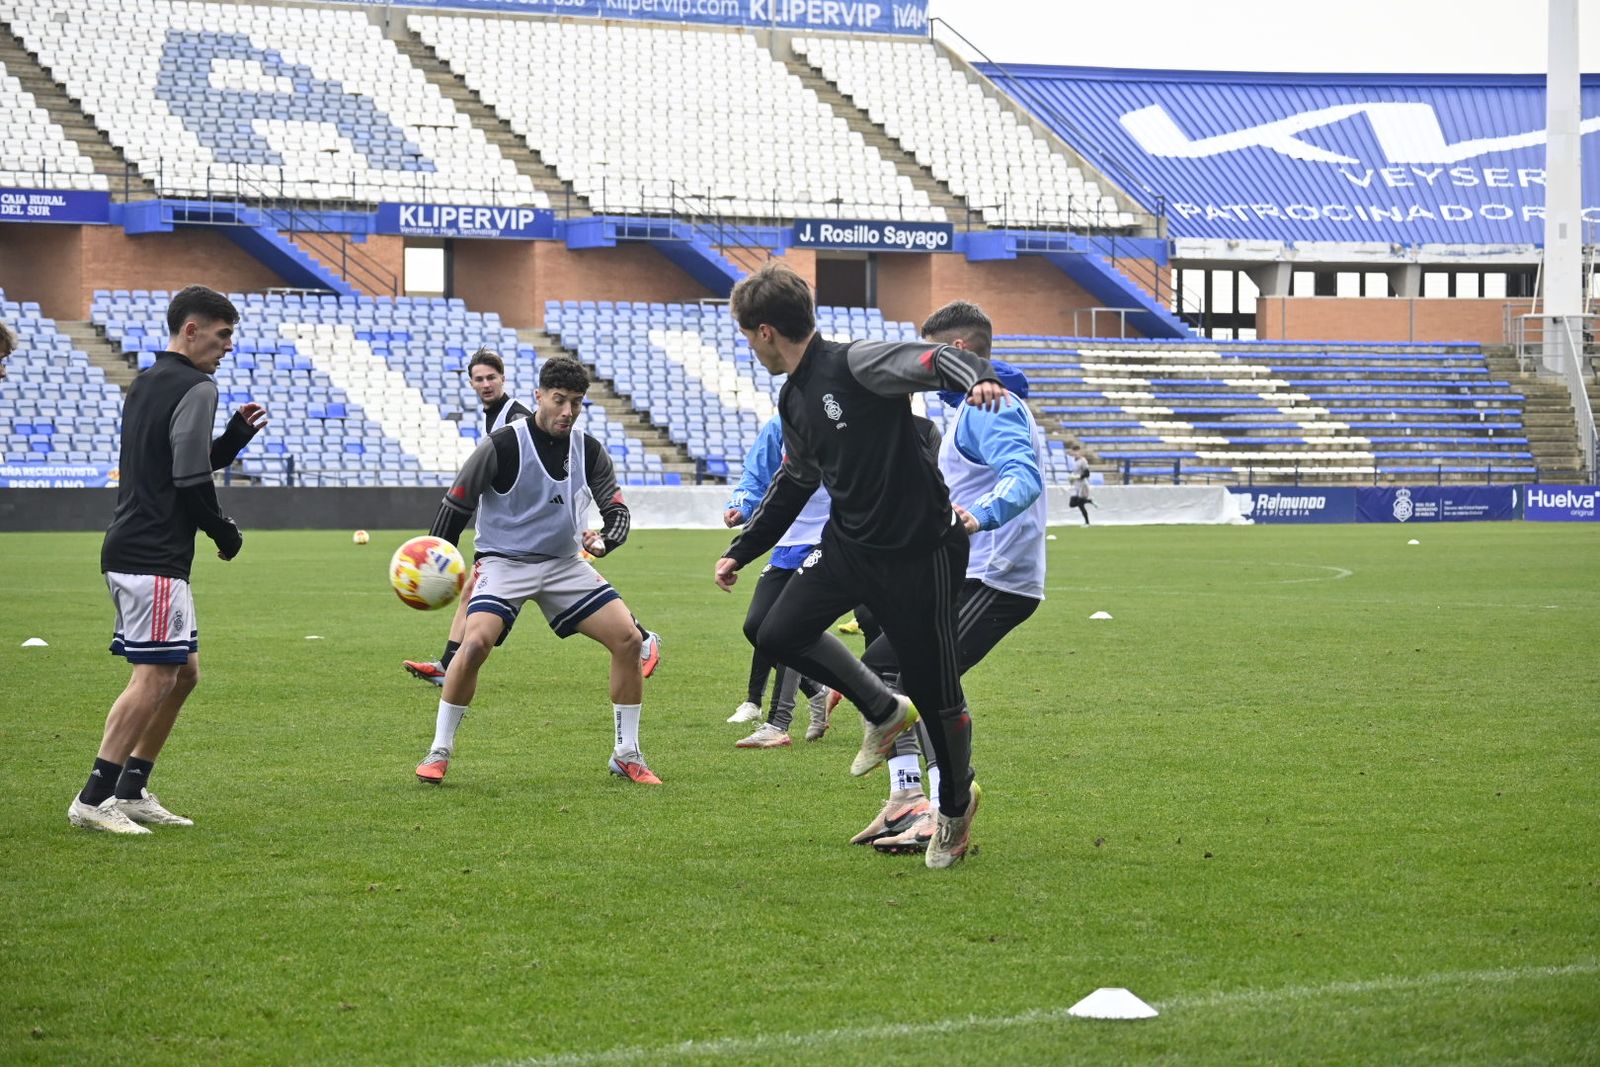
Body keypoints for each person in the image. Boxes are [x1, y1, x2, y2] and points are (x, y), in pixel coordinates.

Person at [713, 264, 1003, 869]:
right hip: (850, 546)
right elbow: (796, 482)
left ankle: (954, 805)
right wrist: (744, 550)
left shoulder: (857, 362)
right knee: (777, 630)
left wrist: (976, 376)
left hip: (923, 552)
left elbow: (931, 361)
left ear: (765, 331)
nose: (748, 347)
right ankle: (883, 709)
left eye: (746, 337)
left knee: (937, 688)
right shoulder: (792, 399)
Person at [850, 303, 1049, 854]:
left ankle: (946, 809)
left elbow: (1022, 477)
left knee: (920, 682)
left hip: (996, 579)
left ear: (956, 353)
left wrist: (976, 516)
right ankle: (909, 796)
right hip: (962, 573)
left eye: (932, 356)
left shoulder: (990, 407)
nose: (924, 368)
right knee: (882, 669)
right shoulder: (966, 408)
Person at [68, 285, 267, 834]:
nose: (228, 346)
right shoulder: (200, 385)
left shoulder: (148, 382)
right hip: (152, 553)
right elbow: (187, 478)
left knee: (182, 675)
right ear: (192, 330)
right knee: (156, 675)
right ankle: (93, 798)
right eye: (223, 334)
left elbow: (174, 461)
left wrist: (231, 440)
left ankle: (131, 789)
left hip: (134, 547)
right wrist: (224, 532)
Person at [414, 354, 660, 786]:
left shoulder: (589, 449)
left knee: (629, 639)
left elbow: (617, 510)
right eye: (560, 400)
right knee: (474, 646)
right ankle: (439, 750)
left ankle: (627, 753)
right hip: (503, 563)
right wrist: (436, 558)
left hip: (564, 565)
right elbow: (456, 505)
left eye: (577, 403)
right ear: (539, 396)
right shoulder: (502, 444)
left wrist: (604, 540)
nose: (568, 412)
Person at [722, 413, 835, 746]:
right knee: (756, 627)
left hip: (829, 537)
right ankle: (817, 690)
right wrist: (741, 506)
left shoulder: (843, 418)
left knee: (788, 627)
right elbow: (756, 475)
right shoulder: (780, 425)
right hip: (786, 537)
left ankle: (777, 724)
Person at [1069, 444, 1094, 525]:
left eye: (1077, 452)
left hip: (1083, 485)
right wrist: (1072, 478)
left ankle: (1087, 522)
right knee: (1072, 503)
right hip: (1077, 485)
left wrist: (1077, 477)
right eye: (1074, 452)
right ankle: (1088, 501)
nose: (1075, 454)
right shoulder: (1074, 461)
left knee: (1080, 504)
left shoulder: (1083, 461)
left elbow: (1087, 474)